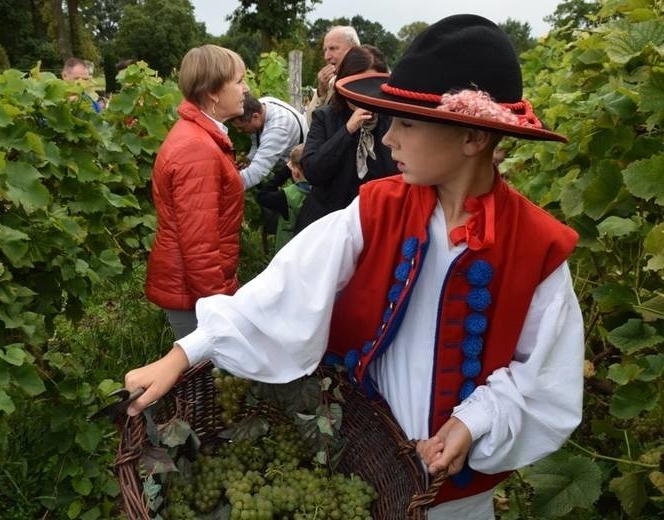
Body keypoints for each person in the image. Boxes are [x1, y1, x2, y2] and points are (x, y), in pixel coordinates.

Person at [125, 14, 584, 520]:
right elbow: (284, 286)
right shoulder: (376, 210)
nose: (389, 140)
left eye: (407, 124)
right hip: (364, 461)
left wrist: (473, 422)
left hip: (458, 494)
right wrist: (182, 355)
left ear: (473, 138)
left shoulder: (537, 248)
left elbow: (542, 374)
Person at [144, 44, 249, 339]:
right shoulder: (197, 149)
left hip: (194, 289)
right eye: (239, 81)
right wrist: (218, 305)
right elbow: (199, 246)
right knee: (203, 376)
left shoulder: (200, 137)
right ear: (214, 91)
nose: (246, 89)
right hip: (194, 295)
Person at [295, 45, 397, 233]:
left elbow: (396, 174)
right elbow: (313, 171)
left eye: (371, 88)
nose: (364, 96)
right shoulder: (325, 117)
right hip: (329, 225)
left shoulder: (392, 121)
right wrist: (348, 130)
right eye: (356, 88)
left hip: (377, 227)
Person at [230, 93, 308, 190]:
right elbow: (257, 138)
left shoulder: (278, 130)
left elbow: (255, 173)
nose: (239, 131)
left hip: (301, 167)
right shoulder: (263, 104)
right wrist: (249, 158)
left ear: (255, 117)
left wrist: (225, 186)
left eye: (242, 127)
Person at [255, 144, 310, 252]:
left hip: (289, 252)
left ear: (295, 171)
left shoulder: (287, 196)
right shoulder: (325, 190)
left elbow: (262, 195)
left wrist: (284, 172)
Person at [305, 25, 359, 126]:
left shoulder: (366, 82)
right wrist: (321, 93)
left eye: (333, 48)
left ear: (354, 49)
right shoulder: (331, 84)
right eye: (325, 50)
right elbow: (311, 125)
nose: (326, 57)